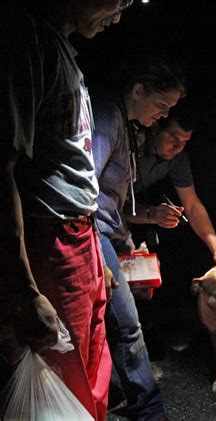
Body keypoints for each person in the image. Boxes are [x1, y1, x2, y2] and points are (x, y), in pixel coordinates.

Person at [0, 1, 133, 419]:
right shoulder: (27, 37)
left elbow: (72, 165)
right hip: (50, 237)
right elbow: (4, 167)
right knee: (66, 372)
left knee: (93, 364)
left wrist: (95, 252)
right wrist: (24, 287)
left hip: (80, 234)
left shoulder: (65, 51)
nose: (122, 10)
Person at [92, 54, 187, 420]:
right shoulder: (106, 115)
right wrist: (100, 255)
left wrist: (129, 249)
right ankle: (149, 411)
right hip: (94, 234)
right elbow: (85, 189)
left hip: (110, 233)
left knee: (117, 322)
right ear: (138, 89)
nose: (163, 115)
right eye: (162, 105)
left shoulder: (128, 124)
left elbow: (115, 200)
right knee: (127, 325)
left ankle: (117, 394)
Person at [124, 102, 216, 272]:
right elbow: (113, 206)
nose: (178, 147)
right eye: (173, 138)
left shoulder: (178, 158)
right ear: (154, 127)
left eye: (184, 141)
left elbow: (192, 205)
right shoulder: (129, 149)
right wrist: (152, 214)